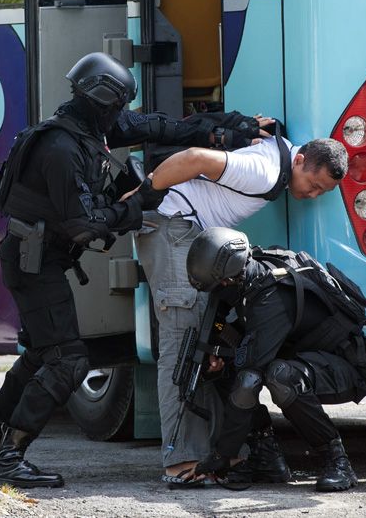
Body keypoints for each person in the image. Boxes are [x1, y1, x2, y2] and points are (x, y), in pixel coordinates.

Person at [0, 52, 269, 488]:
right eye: (118, 107)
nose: (122, 116)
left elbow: (159, 126)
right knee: (68, 363)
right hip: (35, 265)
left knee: (39, 356)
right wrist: (140, 200)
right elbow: (83, 225)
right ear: (103, 100)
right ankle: (9, 457)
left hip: (35, 261)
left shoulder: (88, 127)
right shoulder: (61, 148)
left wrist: (232, 126)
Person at [134, 126, 349, 485]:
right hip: (174, 229)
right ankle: (180, 461)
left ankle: (218, 456)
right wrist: (141, 195)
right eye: (313, 185)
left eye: (321, 192)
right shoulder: (265, 172)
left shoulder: (276, 154)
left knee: (202, 349)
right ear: (299, 160)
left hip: (187, 233)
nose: (312, 195)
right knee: (182, 345)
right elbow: (193, 159)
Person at [184, 227, 366, 491]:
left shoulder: (271, 294)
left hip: (350, 367)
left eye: (219, 284)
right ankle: (265, 460)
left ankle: (337, 462)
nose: (219, 289)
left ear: (229, 277)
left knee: (278, 377)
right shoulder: (251, 272)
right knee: (229, 367)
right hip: (311, 358)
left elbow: (249, 379)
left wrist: (221, 456)